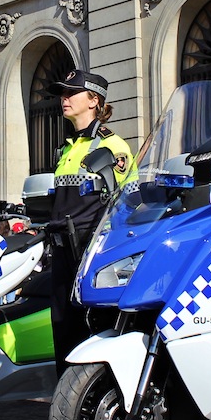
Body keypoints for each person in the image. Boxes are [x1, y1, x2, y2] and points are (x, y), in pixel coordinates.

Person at [46, 70, 134, 372]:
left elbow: (124, 205)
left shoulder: (113, 146)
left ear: (94, 100)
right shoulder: (67, 148)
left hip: (89, 250)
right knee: (62, 327)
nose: (64, 98)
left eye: (71, 93)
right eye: (63, 93)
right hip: (61, 250)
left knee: (92, 328)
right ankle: (64, 404)